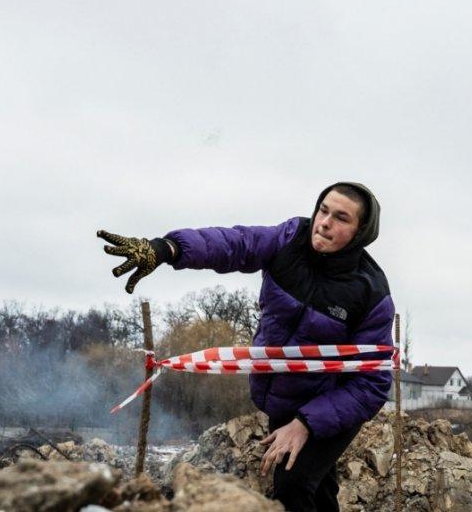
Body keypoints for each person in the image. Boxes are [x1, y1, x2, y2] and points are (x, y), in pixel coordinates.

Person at [96, 182, 393, 512]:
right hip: (284, 397)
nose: (324, 222)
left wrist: (305, 424)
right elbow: (234, 243)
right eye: (323, 209)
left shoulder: (370, 293)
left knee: (292, 485)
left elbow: (373, 383)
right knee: (317, 489)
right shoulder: (289, 239)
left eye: (341, 218)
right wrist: (169, 248)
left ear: (360, 232)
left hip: (333, 403)